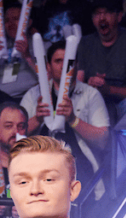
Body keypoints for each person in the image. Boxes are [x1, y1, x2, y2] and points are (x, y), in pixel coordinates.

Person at [21, 40, 110, 196]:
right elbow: (13, 140)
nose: (63, 66)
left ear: (76, 65)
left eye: (69, 62)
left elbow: (103, 141)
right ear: (48, 66)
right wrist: (37, 119)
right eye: (58, 61)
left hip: (79, 166)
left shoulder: (90, 94)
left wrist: (73, 120)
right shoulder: (33, 95)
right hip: (39, 165)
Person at [76, 0, 126, 120]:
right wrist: (89, 86)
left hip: (122, 105)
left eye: (107, 13)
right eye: (97, 14)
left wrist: (108, 89)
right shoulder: (85, 43)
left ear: (119, 16)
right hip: (92, 103)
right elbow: (77, 81)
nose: (102, 18)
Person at [0, 1, 42, 100]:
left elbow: (48, 78)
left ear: (29, 22)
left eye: (16, 19)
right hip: (2, 100)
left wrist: (27, 56)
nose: (10, 24)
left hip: (29, 98)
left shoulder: (40, 45)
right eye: (7, 20)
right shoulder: (0, 46)